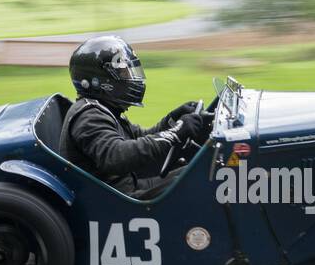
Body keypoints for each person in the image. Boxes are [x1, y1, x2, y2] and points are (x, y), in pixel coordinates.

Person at [59, 35, 208, 197]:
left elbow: (139, 137)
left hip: (129, 187)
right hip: (118, 200)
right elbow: (117, 157)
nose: (131, 79)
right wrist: (176, 133)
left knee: (199, 170)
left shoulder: (105, 109)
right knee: (205, 179)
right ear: (98, 80)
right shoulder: (89, 117)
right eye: (123, 73)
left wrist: (172, 120)